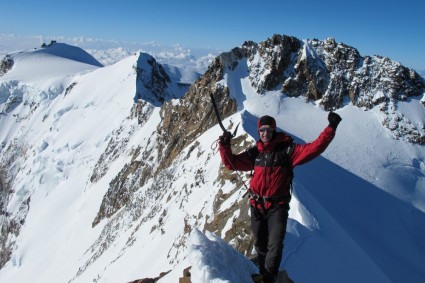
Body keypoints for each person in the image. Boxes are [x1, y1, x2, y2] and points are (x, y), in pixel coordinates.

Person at [218, 112, 342, 283]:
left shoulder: (288, 151)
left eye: (269, 129)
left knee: (274, 245)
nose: (265, 133)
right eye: (262, 130)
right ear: (258, 131)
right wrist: (224, 145)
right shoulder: (256, 153)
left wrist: (331, 128)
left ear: (274, 130)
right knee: (261, 244)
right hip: (257, 205)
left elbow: (314, 148)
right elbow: (231, 163)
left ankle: (268, 278)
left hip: (278, 207)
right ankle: (263, 274)